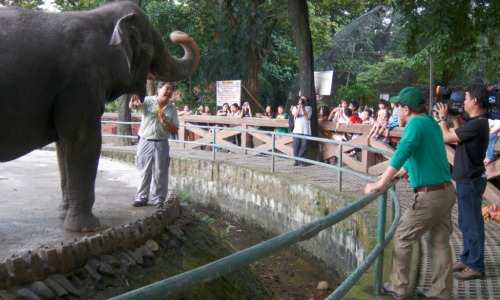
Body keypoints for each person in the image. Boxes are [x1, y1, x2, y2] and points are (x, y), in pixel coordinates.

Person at [365, 87, 455, 299]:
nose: (395, 112)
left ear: (406, 109)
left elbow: (402, 152)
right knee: (440, 241)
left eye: (397, 108)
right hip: (446, 191)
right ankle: (441, 292)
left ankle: (399, 286)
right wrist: (404, 172)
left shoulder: (414, 124)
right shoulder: (431, 123)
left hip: (430, 196)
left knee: (403, 235)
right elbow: (424, 154)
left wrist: (380, 184)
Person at [435, 84, 490, 280]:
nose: (463, 102)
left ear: (475, 100)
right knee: (465, 222)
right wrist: (455, 117)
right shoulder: (475, 123)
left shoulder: (478, 124)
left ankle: (476, 265)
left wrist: (442, 119)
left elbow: (446, 137)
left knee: (472, 223)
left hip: (471, 179)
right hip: (468, 179)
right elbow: (460, 136)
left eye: (466, 98)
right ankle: (468, 259)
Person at [129, 82, 179, 208]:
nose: (169, 92)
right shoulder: (147, 101)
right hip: (145, 141)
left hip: (162, 142)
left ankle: (158, 199)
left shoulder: (171, 108)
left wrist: (165, 121)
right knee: (144, 170)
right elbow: (136, 107)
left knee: (160, 172)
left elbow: (175, 129)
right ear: (159, 89)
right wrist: (133, 104)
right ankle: (141, 197)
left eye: (171, 90)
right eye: (167, 88)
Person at [291, 96, 312, 166]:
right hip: (297, 130)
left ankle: (299, 160)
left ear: (306, 101)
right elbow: (296, 115)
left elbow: (307, 117)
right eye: (301, 99)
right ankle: (297, 161)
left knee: (304, 146)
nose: (302, 101)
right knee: (296, 146)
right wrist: (299, 107)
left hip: (306, 131)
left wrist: (303, 108)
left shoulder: (309, 108)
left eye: (304, 100)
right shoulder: (295, 108)